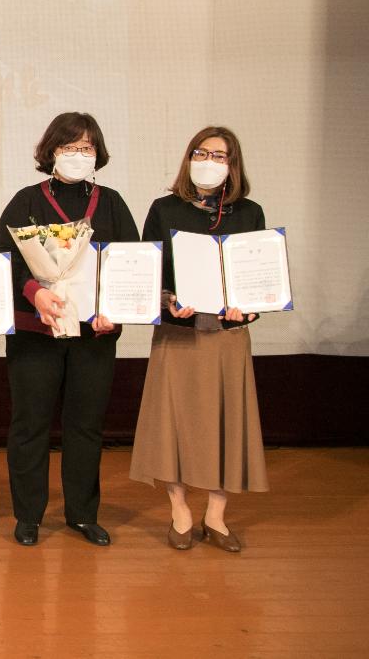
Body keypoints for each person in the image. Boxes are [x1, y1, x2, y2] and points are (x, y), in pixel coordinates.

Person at [0, 112, 138, 547]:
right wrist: (35, 292)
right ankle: (28, 516)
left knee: (86, 426)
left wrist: (114, 308)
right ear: (51, 151)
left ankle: (81, 514)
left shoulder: (111, 202)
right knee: (30, 425)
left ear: (98, 154)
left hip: (94, 335)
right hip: (35, 335)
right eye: (69, 147)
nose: (78, 156)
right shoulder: (26, 200)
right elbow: (6, 260)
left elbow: (132, 265)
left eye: (86, 148)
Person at [130, 127, 268, 552]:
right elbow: (148, 273)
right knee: (173, 422)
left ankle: (216, 515)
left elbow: (259, 276)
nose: (209, 161)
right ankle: (180, 511)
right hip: (178, 334)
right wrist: (168, 300)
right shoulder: (164, 209)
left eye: (220, 156)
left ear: (233, 166)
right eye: (201, 152)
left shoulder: (249, 212)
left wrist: (250, 306)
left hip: (227, 338)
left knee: (225, 423)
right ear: (189, 158)